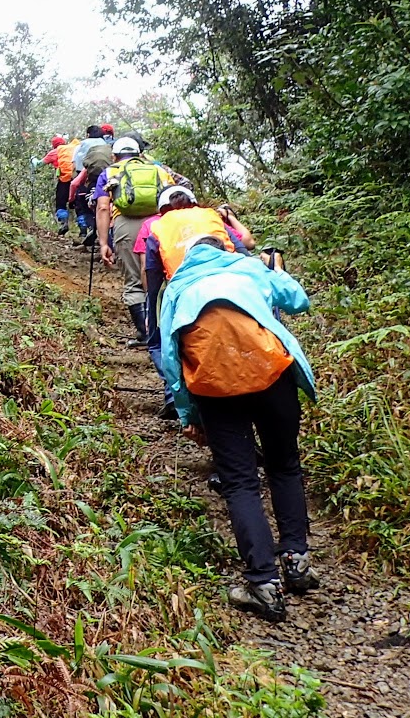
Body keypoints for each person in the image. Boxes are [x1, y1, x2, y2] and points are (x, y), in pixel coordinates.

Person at [153, 238, 319, 623]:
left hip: (215, 389)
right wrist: (275, 269)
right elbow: (298, 301)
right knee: (284, 465)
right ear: (224, 251)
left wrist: (187, 414)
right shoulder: (248, 268)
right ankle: (296, 560)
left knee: (241, 482)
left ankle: (263, 583)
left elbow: (172, 356)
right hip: (272, 376)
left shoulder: (177, 288)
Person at [139, 186, 252, 416]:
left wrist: (152, 316)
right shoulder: (211, 217)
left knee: (157, 342)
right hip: (231, 286)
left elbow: (153, 283)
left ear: (162, 210)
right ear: (194, 202)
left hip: (186, 293)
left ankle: (174, 395)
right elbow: (245, 256)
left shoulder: (157, 229)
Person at [95, 137, 175, 344]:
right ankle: (170, 330)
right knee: (167, 275)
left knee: (134, 280)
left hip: (125, 225)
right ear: (140, 155)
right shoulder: (159, 171)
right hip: (160, 225)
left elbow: (103, 207)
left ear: (114, 156)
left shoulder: (109, 173)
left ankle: (146, 334)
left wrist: (103, 243)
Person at [43, 135, 79, 235]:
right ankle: (84, 230)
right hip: (78, 178)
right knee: (80, 204)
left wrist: (33, 160)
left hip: (64, 181)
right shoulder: (74, 148)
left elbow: (39, 163)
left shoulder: (55, 152)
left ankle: (63, 223)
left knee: (61, 202)